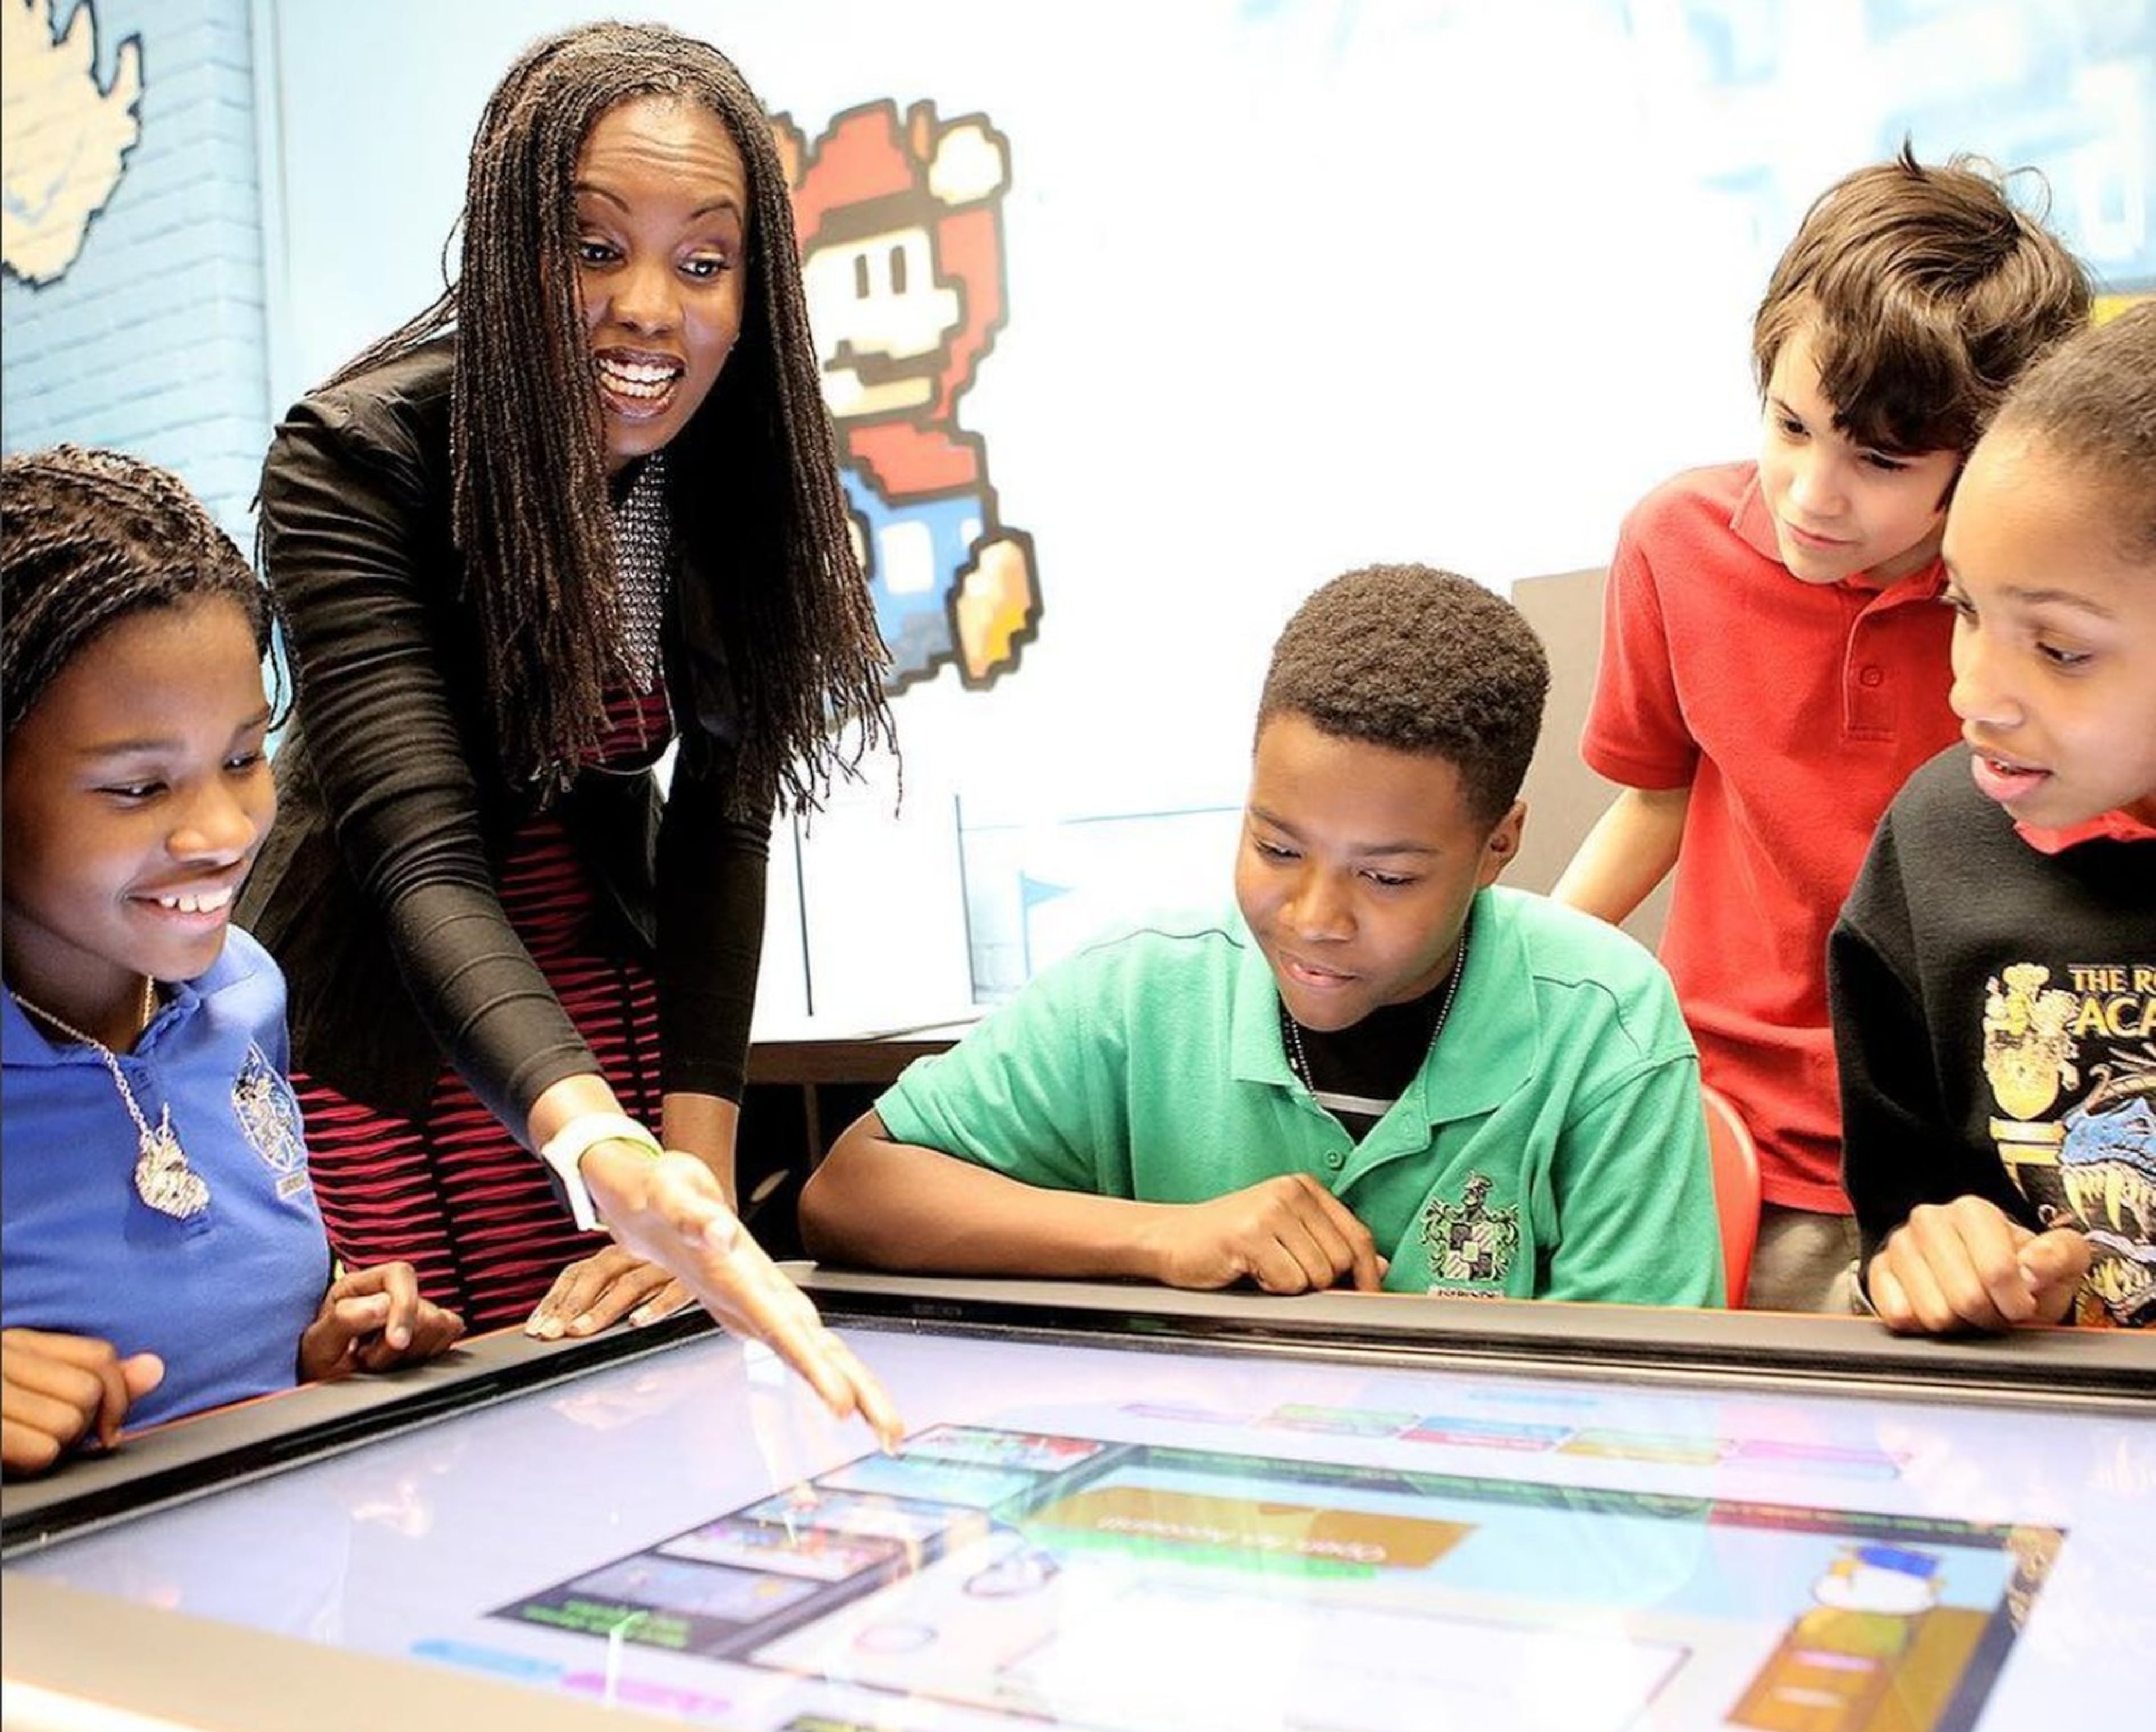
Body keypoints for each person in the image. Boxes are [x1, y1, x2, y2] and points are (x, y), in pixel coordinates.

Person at [233, 23, 901, 1441]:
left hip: (595, 964)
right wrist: (599, 1141)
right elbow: (420, 857)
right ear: (508, 250)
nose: (651, 309)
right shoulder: (359, 456)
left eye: (703, 263)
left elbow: (722, 825)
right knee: (437, 1417)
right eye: (595, 249)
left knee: (631, 1384)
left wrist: (692, 1176)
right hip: (382, 998)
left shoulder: (738, 464)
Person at [800, 565, 1723, 1305]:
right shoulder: (1140, 991)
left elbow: (1645, 1401)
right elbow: (851, 1192)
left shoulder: (1606, 1023)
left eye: (1387, 877)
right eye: (1277, 847)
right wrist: (1163, 1235)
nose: (1315, 916)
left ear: (1498, 846)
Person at [1553, 147, 2090, 1311]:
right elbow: (1656, 798)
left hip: (1968, 1158)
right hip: (1705, 1128)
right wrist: (1501, 978)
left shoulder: (2035, 621)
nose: (1811, 493)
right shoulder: (1674, 543)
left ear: (1987, 456)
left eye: (1880, 460)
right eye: (1790, 424)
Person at [2, 446, 465, 1479]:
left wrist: (318, 1347)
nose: (223, 832)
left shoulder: (245, 988)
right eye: (137, 787)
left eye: (245, 758)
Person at [1829, 301, 2156, 1334]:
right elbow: (1905, 1215)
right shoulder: (1938, 839)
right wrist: (1947, 1263)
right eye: (1964, 608)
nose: (1972, 692)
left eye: (2059, 649)